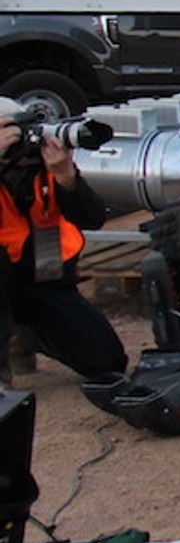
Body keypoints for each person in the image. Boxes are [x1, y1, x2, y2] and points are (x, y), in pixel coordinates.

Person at [0, 117, 128, 399]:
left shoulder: (47, 168)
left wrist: (67, 177)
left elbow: (92, 218)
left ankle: (26, 335)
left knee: (107, 361)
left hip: (44, 281)